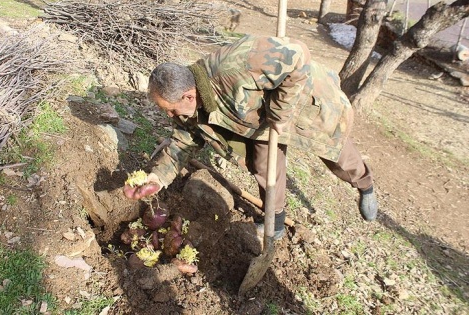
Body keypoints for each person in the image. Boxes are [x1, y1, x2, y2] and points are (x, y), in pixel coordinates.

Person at [123, 34, 378, 240]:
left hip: (307, 107)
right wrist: (158, 177)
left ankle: (365, 184)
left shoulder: (237, 64)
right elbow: (183, 141)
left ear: (189, 96)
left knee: (338, 155)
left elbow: (298, 54)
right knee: (263, 164)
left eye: (170, 109)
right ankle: (274, 222)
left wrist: (280, 113)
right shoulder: (189, 105)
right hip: (262, 120)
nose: (169, 115)